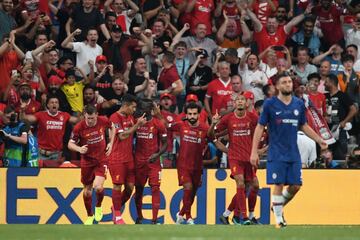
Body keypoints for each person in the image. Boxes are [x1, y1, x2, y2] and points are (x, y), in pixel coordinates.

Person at [250, 72, 328, 228]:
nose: (288, 84)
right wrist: (254, 151)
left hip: (293, 152)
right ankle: (279, 219)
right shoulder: (270, 104)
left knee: (296, 186)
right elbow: (260, 127)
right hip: (276, 152)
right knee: (278, 183)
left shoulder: (298, 104)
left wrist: (319, 139)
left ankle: (277, 206)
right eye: (284, 82)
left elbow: (304, 126)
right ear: (278, 86)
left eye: (289, 82)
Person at [213, 93, 259, 225]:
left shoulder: (252, 118)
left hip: (249, 158)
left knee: (252, 186)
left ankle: (227, 214)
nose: (239, 102)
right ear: (234, 103)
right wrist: (213, 125)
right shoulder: (228, 119)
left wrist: (257, 150)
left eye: (242, 100)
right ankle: (243, 217)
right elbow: (213, 133)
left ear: (246, 103)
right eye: (237, 100)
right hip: (235, 158)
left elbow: (260, 131)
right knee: (240, 183)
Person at [171, 102, 219, 224]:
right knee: (188, 187)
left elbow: (213, 137)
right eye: (190, 114)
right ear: (186, 114)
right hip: (183, 165)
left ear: (198, 115)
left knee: (192, 193)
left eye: (194, 114)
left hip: (197, 166)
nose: (192, 116)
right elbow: (166, 126)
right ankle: (188, 217)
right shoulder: (181, 125)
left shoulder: (204, 128)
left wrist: (213, 124)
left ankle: (181, 214)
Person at [68, 104, 115, 225]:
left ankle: (98, 206)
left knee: (98, 187)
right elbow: (70, 144)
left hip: (101, 160)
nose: (90, 121)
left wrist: (110, 142)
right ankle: (90, 215)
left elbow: (112, 127)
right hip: (87, 161)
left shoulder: (103, 120)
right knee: (87, 191)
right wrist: (79, 149)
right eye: (88, 118)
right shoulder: (79, 127)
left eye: (92, 118)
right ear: (84, 116)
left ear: (96, 115)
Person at [109, 94, 147, 224]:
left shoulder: (130, 117)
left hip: (129, 158)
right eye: (133, 107)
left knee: (130, 188)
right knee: (117, 186)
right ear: (125, 106)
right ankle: (118, 216)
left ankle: (115, 208)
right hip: (117, 158)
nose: (134, 110)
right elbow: (122, 136)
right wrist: (137, 126)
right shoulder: (114, 117)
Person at [134, 99, 167, 224]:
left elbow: (165, 144)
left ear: (151, 110)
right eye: (142, 108)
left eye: (146, 109)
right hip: (139, 162)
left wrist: (157, 154)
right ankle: (139, 217)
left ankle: (154, 219)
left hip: (154, 162)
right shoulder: (136, 122)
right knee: (138, 190)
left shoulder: (158, 124)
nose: (144, 111)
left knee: (155, 188)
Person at [20, 95, 78, 165]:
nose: (54, 104)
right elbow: (24, 119)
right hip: (41, 153)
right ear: (48, 105)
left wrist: (84, 114)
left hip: (56, 154)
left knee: (54, 175)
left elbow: (77, 121)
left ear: (58, 105)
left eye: (56, 102)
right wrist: (22, 110)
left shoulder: (64, 115)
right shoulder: (41, 115)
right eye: (52, 102)